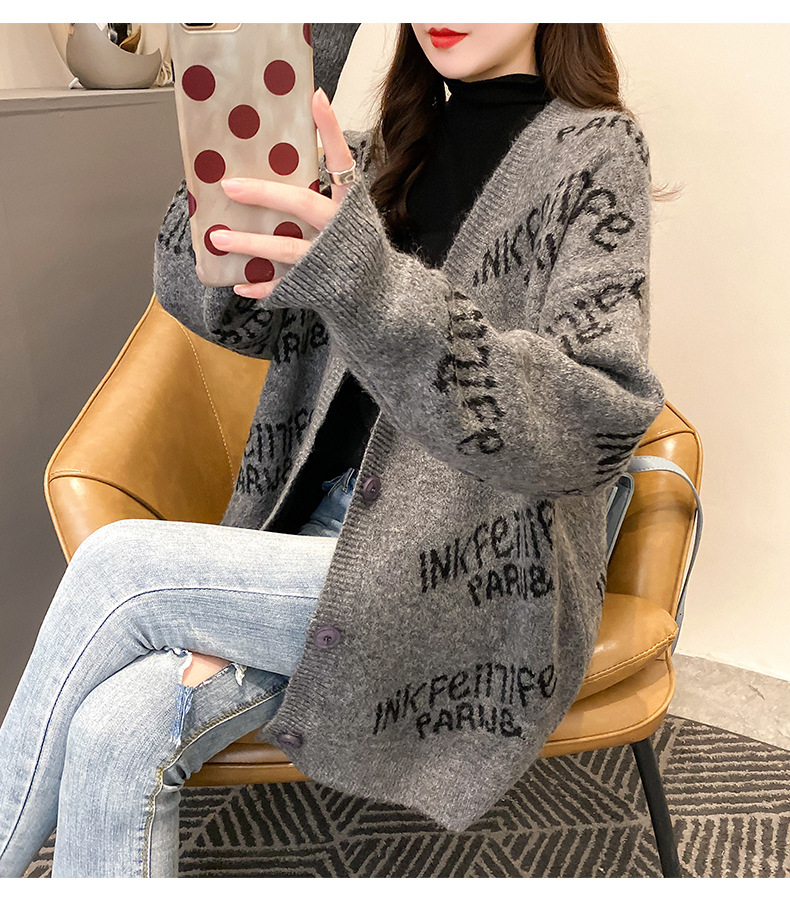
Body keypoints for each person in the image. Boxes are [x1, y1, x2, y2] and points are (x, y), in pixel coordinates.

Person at [0, 23, 665, 877]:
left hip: (464, 570)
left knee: (119, 567)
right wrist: (291, 47)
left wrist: (366, 279)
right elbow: (209, 299)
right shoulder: (377, 150)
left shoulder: (596, 151)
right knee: (112, 731)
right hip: (306, 544)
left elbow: (594, 418)